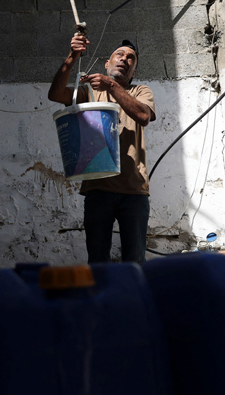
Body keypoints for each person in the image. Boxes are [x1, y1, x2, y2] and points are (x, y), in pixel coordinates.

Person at [48, 34, 157, 264]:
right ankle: (101, 300)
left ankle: (134, 299)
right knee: (97, 260)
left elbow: (142, 116)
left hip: (134, 191)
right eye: (119, 54)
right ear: (106, 64)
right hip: (97, 186)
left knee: (135, 261)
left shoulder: (140, 92)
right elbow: (55, 94)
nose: (124, 59)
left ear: (133, 71)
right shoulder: (89, 92)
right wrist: (72, 56)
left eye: (131, 59)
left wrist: (112, 85)